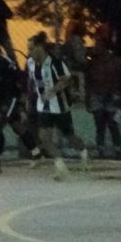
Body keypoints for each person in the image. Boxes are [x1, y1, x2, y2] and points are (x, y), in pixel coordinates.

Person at [26, 32, 88, 181]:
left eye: (31, 48)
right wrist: (30, 97)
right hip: (43, 106)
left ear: (40, 47)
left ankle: (84, 154)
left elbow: (66, 80)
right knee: (44, 137)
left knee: (69, 137)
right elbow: (32, 81)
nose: (29, 52)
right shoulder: (30, 63)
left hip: (59, 107)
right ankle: (61, 167)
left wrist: (52, 91)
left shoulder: (55, 63)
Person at [0, 37, 42, 174]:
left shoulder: (4, 62)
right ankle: (36, 153)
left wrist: (22, 98)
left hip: (11, 98)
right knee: (17, 126)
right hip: (1, 99)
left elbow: (19, 78)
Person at [85, 37, 121, 157]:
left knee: (112, 124)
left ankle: (117, 148)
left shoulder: (115, 62)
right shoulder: (92, 63)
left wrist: (119, 98)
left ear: (104, 47)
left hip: (112, 95)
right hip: (97, 94)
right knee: (99, 123)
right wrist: (88, 97)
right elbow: (88, 81)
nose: (95, 47)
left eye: (98, 45)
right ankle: (101, 148)